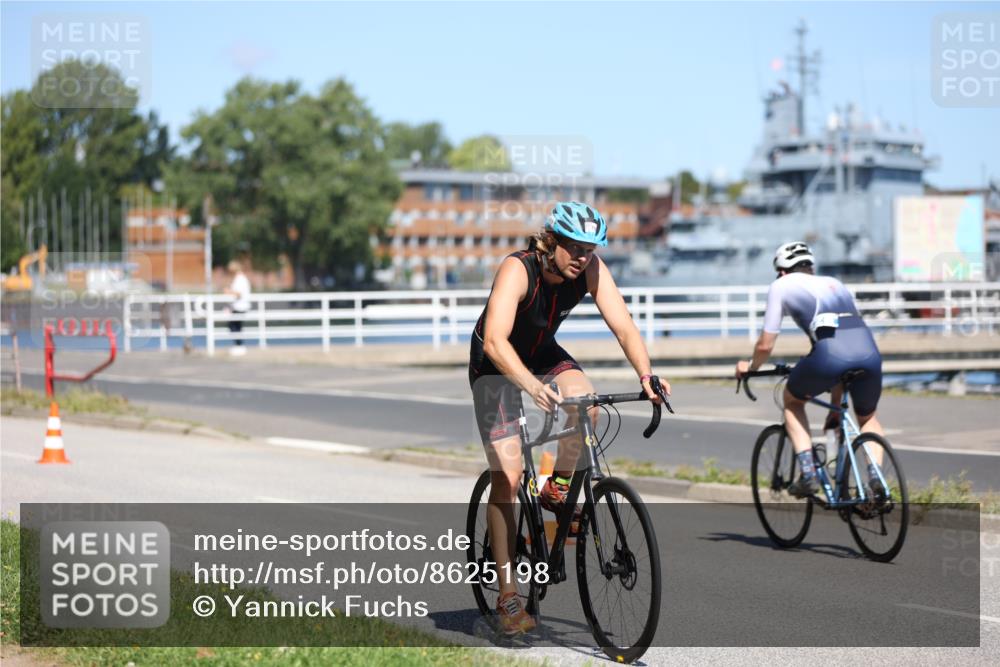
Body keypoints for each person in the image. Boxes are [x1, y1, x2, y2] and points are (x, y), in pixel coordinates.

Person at [468, 202, 671, 634]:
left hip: (541, 353)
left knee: (589, 406)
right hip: (495, 363)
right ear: (552, 241)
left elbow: (624, 327)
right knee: (508, 472)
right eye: (575, 247)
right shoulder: (518, 269)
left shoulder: (591, 270)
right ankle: (507, 597)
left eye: (591, 248)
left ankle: (558, 490)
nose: (583, 256)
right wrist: (530, 386)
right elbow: (494, 341)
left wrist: (647, 374)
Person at [735, 242, 885, 498]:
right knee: (867, 418)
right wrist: (837, 406)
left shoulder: (780, 286)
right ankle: (877, 481)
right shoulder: (835, 284)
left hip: (830, 355)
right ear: (810, 267)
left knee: (791, 400)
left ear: (782, 271)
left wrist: (750, 367)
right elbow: (845, 340)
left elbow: (765, 344)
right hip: (870, 352)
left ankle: (808, 474)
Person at [224, 260, 251, 356]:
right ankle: (238, 345)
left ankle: (239, 345)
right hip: (237, 306)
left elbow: (239, 293)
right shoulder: (238, 278)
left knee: (234, 326)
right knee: (235, 326)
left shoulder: (240, 279)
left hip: (240, 306)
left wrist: (228, 291)